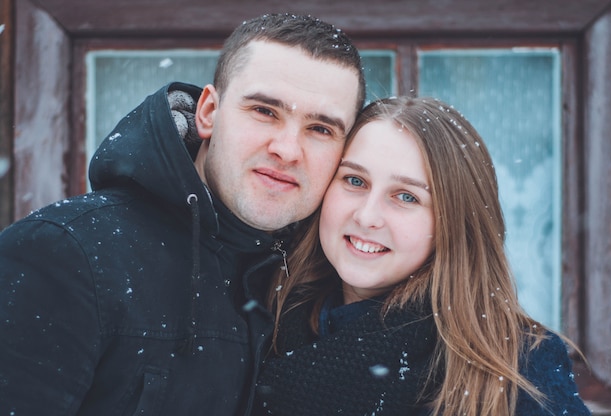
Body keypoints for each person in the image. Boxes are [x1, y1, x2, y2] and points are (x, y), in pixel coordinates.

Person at [0, 13, 365, 416]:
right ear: (208, 111)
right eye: (265, 111)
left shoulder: (323, 283)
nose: (288, 149)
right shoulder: (66, 256)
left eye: (321, 129)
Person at [254, 96, 591, 416]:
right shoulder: (266, 321)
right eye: (355, 180)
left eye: (406, 197)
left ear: (453, 223)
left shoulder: (521, 367)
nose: (367, 216)